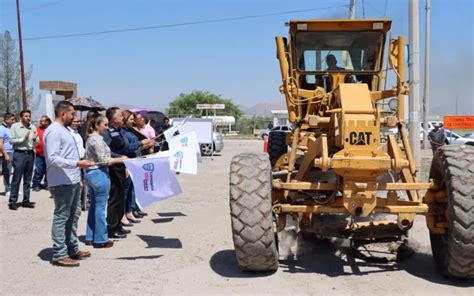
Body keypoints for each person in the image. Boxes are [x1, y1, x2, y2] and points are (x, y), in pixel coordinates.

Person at [44, 100, 93, 267]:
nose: (74, 117)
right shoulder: (54, 131)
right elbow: (53, 158)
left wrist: (77, 175)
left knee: (73, 217)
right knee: (62, 217)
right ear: (63, 114)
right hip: (61, 181)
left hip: (71, 179)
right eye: (72, 114)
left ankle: (72, 248)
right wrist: (77, 164)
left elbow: (69, 154)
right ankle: (59, 253)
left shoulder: (64, 130)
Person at [84, 114, 122, 248]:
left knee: (95, 206)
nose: (106, 127)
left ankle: (90, 236)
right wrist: (121, 159)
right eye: (104, 125)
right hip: (99, 173)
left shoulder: (92, 138)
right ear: (96, 125)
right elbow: (104, 160)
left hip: (92, 173)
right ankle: (101, 239)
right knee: (100, 208)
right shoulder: (97, 140)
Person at [103, 107, 131, 239]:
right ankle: (112, 227)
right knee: (114, 198)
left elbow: (125, 146)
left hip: (121, 165)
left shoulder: (119, 131)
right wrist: (119, 157)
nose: (122, 118)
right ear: (113, 118)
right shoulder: (108, 132)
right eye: (120, 115)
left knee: (121, 196)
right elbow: (106, 150)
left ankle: (118, 224)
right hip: (114, 167)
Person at [8, 110, 39, 210]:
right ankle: (13, 201)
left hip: (30, 154)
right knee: (17, 178)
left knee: (28, 178)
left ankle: (26, 200)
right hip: (19, 154)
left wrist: (35, 140)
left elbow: (36, 143)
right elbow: (11, 140)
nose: (28, 118)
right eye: (26, 116)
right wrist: (23, 139)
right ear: (21, 117)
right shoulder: (15, 127)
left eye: (29, 116)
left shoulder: (33, 127)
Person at [32, 115, 51, 191]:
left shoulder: (50, 129)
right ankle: (36, 184)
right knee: (39, 169)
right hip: (39, 153)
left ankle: (47, 184)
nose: (41, 122)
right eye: (40, 121)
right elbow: (33, 139)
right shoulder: (38, 129)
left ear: (47, 122)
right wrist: (34, 148)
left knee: (48, 170)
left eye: (42, 121)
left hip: (48, 154)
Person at [0, 112, 15, 197]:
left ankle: (13, 188)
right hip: (7, 152)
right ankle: (7, 188)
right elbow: (0, 143)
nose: (14, 121)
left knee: (15, 171)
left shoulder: (11, 128)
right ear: (7, 119)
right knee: (7, 172)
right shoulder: (1, 128)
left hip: (14, 151)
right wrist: (5, 154)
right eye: (12, 119)